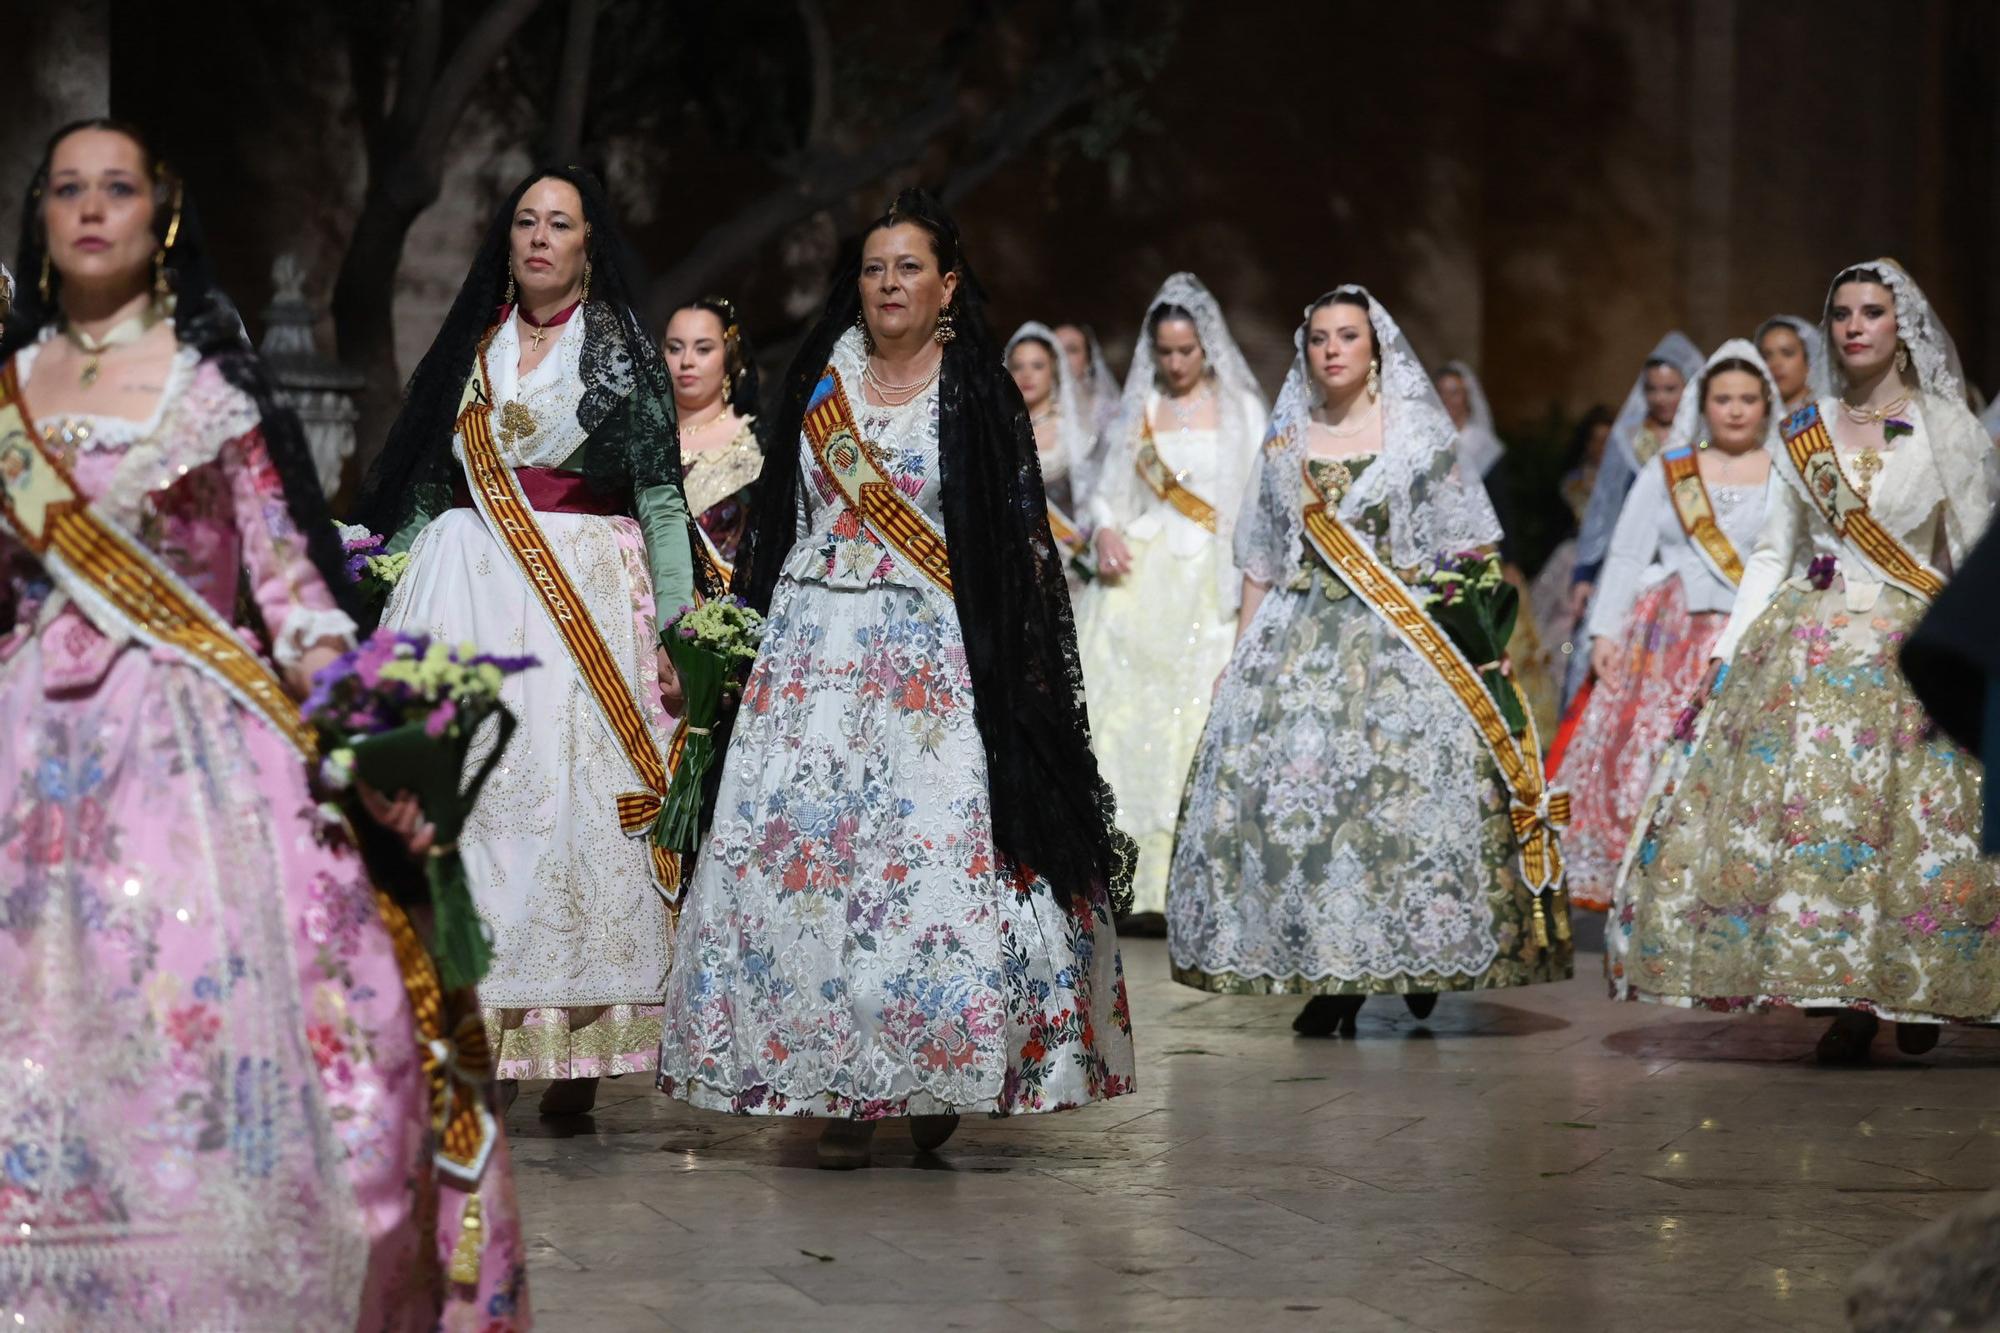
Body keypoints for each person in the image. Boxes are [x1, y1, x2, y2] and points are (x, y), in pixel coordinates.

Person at [0, 119, 526, 1330]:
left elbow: (291, 595)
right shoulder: (11, 398)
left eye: (116, 188)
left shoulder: (209, 395)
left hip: (194, 746)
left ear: (160, 215)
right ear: (42, 220)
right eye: (66, 189)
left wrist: (367, 725)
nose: (90, 208)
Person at [657, 189, 1135, 1169]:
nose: (888, 283)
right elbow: (780, 520)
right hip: (812, 664)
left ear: (947, 283)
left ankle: (933, 1060)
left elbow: (1010, 547)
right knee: (814, 869)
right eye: (875, 267)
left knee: (923, 870)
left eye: (909, 266)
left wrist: (1013, 673)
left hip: (932, 668)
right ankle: (834, 1083)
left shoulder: (976, 391)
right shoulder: (820, 378)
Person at [357, 165, 696, 1117]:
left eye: (561, 224)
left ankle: (573, 1039)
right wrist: (390, 580)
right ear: (507, 241)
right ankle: (481, 1025)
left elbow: (661, 496)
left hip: (580, 594)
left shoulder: (618, 349)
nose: (540, 237)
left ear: (590, 245)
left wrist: (677, 628)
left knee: (566, 815)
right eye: (525, 222)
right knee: (473, 810)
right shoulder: (478, 347)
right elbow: (430, 487)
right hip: (465, 590)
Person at [1611, 260, 2000, 1063]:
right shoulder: (1803, 428)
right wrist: (1728, 653)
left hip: (1907, 651)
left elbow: (1968, 549)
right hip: (1810, 650)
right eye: (1843, 314)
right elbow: (1772, 552)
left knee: (1910, 827)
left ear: (1903, 328)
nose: (1855, 326)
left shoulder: (1949, 427)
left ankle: (1915, 975)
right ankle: (1846, 999)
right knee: (1822, 827)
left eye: (1873, 312)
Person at [1169, 286, 1572, 1033]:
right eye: (1319, 336)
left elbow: (1466, 544)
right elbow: (1260, 558)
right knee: (1321, 808)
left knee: (1403, 802)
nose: (1331, 349)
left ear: (1374, 347)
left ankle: (1416, 950)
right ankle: (1338, 973)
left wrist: (1469, 635)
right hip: (1303, 637)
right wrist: (1239, 655)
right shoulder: (1288, 439)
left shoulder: (1417, 437)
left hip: (1403, 636)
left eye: (1346, 335)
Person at [1074, 274, 1267, 930]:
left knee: (1196, 722)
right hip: (1145, 575)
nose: (1176, 363)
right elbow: (1107, 488)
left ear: (1207, 345)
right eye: (1165, 351)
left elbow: (1262, 501)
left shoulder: (1242, 407)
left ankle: (1196, 884)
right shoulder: (1144, 405)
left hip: (1211, 582)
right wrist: (1102, 526)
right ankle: (1129, 884)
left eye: (1186, 350)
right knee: (1126, 722)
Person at [1556, 341, 1776, 910]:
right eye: (1723, 398)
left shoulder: (1784, 473)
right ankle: (1645, 875)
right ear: (1702, 404)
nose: (1734, 410)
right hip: (1665, 636)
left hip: (1746, 633)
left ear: (1765, 404)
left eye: (1747, 399)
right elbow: (1627, 554)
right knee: (1649, 749)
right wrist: (1603, 632)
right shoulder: (1671, 467)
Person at [1564, 333, 1705, 702]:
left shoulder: (1706, 441)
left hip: (1693, 566)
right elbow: (1605, 511)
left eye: (1671, 388)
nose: (1661, 398)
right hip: (1635, 566)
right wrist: (1586, 573)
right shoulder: (1631, 441)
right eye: (1653, 389)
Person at [1437, 358, 1559, 743]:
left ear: (1468, 398)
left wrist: (1509, 558)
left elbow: (1502, 507)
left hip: (1481, 549)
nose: (1450, 401)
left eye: (1456, 393)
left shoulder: (1484, 447)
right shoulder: (1426, 441)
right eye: (1443, 394)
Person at [665, 295, 762, 587]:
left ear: (729, 354)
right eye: (674, 348)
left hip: (726, 618)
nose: (686, 362)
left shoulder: (757, 443)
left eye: (703, 349)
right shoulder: (640, 437)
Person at [1008, 320, 1097, 577]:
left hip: (1067, 562)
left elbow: (1092, 497)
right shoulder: (997, 431)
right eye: (1018, 366)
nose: (1026, 375)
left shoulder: (1074, 431)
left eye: (1037, 366)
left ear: (1054, 370)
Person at [1755, 314, 1824, 414]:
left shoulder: (1827, 414)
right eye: (1766, 357)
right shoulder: (1757, 420)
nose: (1775, 364)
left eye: (1787, 353)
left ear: (1809, 361)